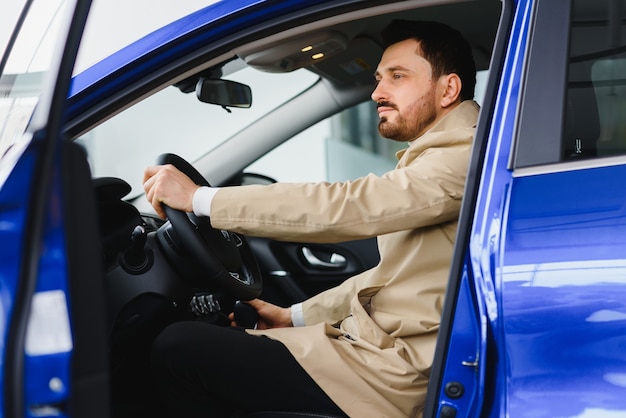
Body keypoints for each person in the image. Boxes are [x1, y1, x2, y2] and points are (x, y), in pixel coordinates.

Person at [143, 19, 479, 418]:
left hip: (392, 373)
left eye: (398, 76)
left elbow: (347, 205)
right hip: (374, 354)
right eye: (378, 78)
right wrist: (292, 316)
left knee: (178, 348)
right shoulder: (442, 156)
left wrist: (199, 199)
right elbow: (389, 278)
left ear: (449, 90)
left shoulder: (464, 157)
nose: (377, 92)